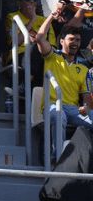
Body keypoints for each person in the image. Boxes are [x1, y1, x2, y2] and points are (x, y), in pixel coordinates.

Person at [34, 8, 93, 158]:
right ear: (62, 41)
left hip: (73, 109)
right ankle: (57, 159)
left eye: (78, 40)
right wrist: (51, 18)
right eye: (71, 39)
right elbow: (40, 38)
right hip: (52, 105)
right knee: (59, 114)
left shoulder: (83, 68)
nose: (75, 43)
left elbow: (86, 95)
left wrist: (86, 107)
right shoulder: (52, 56)